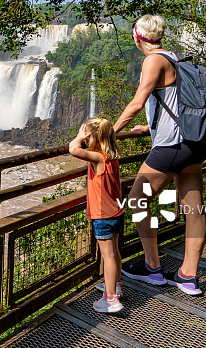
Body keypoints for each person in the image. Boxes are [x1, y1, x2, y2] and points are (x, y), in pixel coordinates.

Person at [113, 15, 206, 296]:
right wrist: (148, 126)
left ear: (137, 38)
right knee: (194, 209)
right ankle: (188, 277)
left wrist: (111, 131)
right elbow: (171, 104)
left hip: (171, 147)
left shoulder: (153, 60)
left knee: (138, 199)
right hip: (194, 143)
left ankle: (153, 268)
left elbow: (137, 102)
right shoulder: (174, 58)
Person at [69, 117, 125, 313]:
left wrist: (78, 137)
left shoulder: (98, 158)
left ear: (93, 138)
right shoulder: (113, 155)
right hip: (117, 212)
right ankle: (115, 286)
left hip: (104, 215)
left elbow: (73, 149)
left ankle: (110, 300)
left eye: (87, 136)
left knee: (108, 256)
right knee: (115, 253)